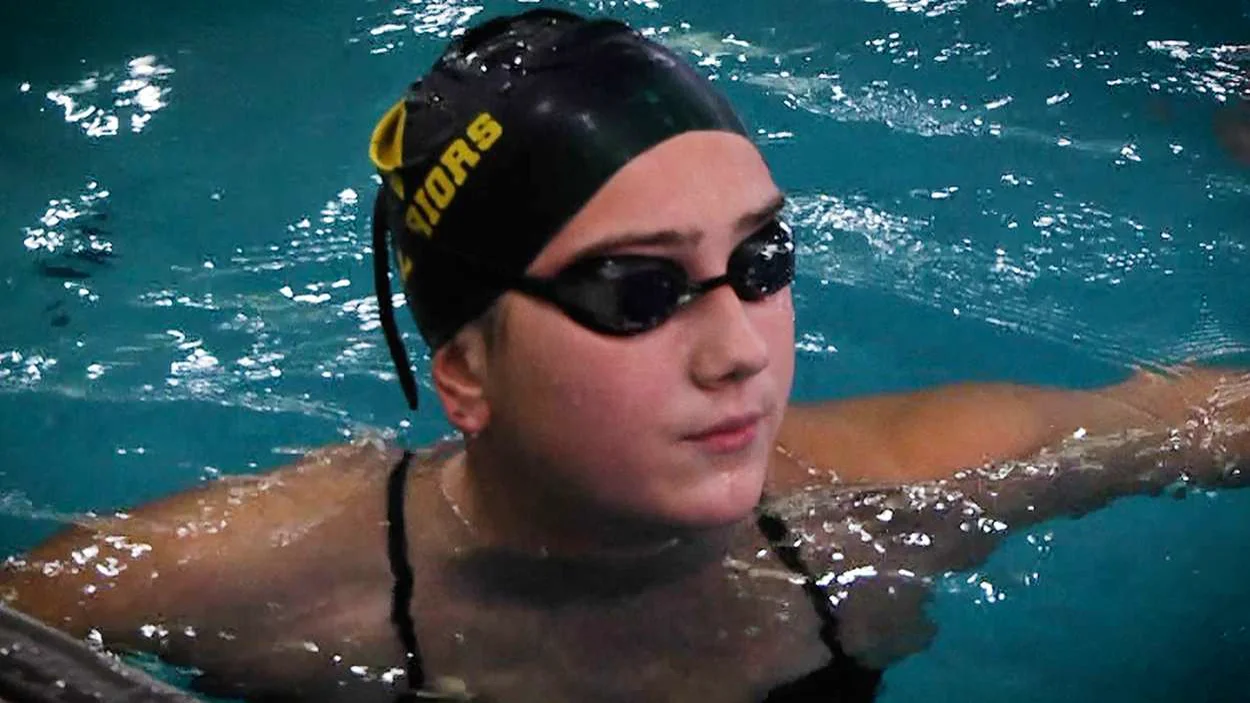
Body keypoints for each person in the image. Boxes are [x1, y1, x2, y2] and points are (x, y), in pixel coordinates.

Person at [2, 9, 1249, 703]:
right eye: (635, 290)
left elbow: (1210, 418)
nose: (738, 353)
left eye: (759, 260)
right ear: (464, 370)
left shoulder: (901, 495)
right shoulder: (255, 580)